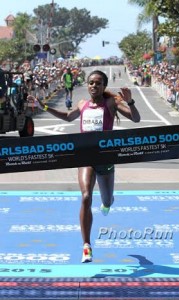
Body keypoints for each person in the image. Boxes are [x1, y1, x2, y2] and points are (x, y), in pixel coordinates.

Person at [27, 70, 141, 263]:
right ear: (87, 85)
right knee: (86, 195)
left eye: (98, 83)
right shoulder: (82, 104)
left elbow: (136, 119)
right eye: (91, 83)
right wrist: (42, 105)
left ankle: (108, 201)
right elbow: (67, 117)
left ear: (104, 86)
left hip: (105, 157)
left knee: (106, 201)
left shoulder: (111, 103)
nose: (94, 86)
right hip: (85, 156)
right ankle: (86, 246)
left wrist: (130, 101)